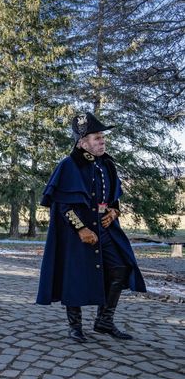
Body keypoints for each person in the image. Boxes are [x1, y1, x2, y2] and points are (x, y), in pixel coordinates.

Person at [37, 112, 146, 342]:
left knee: (120, 267)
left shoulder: (107, 164)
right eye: (96, 137)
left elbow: (113, 198)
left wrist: (114, 212)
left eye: (102, 137)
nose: (102, 141)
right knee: (74, 274)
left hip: (105, 229)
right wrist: (81, 229)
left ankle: (104, 321)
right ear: (82, 142)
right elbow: (63, 205)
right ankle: (75, 326)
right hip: (77, 231)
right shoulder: (68, 165)